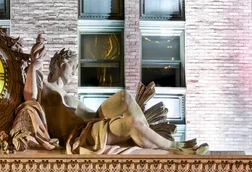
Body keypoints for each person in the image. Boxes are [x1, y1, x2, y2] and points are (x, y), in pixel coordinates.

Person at [17, 36, 208, 155]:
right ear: (61, 64)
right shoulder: (45, 84)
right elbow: (30, 99)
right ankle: (173, 147)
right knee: (131, 123)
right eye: (73, 67)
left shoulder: (69, 96)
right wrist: (34, 65)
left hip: (91, 124)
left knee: (124, 98)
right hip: (80, 136)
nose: (74, 73)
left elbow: (92, 114)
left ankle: (154, 139)